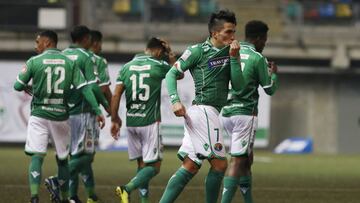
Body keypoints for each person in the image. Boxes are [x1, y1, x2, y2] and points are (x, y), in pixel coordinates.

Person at [159, 10, 244, 203]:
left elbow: (238, 86)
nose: (232, 37)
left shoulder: (231, 52)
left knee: (190, 165)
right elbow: (171, 74)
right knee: (220, 166)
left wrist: (234, 58)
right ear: (215, 33)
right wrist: (174, 100)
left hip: (208, 113)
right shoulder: (198, 51)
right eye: (228, 32)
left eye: (234, 32)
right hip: (203, 111)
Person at [13, 30, 105, 203]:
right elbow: (85, 88)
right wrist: (98, 111)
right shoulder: (69, 63)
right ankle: (64, 198)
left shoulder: (34, 61)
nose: (35, 45)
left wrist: (29, 87)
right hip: (60, 116)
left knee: (37, 156)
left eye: (37, 41)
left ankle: (34, 197)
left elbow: (18, 85)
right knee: (62, 159)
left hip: (39, 115)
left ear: (47, 43)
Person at [45, 25, 110, 203]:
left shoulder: (61, 55)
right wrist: (104, 106)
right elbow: (92, 87)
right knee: (87, 155)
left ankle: (73, 196)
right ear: (86, 39)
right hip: (83, 113)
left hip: (63, 113)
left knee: (76, 156)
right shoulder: (87, 57)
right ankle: (57, 180)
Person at [110, 37, 177, 203]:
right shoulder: (159, 65)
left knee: (141, 165)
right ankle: (127, 188)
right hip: (150, 122)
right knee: (154, 167)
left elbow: (116, 94)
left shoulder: (126, 67)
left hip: (132, 122)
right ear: (159, 51)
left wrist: (114, 119)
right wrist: (171, 54)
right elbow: (179, 74)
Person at [220, 20, 278, 203]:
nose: (265, 44)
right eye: (265, 40)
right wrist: (273, 74)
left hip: (225, 112)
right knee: (237, 161)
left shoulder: (228, 51)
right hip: (244, 114)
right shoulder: (257, 57)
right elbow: (269, 89)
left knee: (246, 158)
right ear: (259, 38)